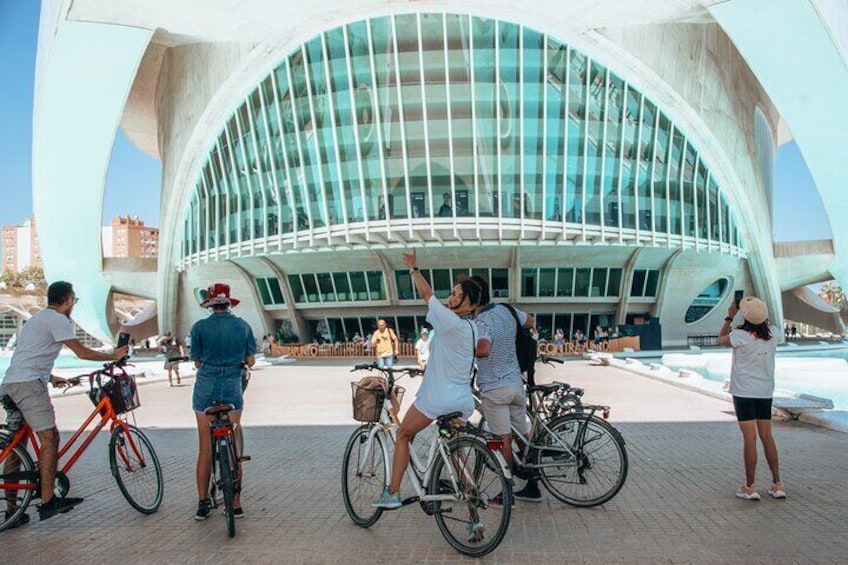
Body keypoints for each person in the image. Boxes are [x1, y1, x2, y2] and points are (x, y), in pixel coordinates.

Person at [0, 281, 128, 525]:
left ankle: (12, 511)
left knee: (18, 444)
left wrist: (51, 378)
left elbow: (30, 354)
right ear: (68, 300)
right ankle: (48, 501)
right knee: (50, 438)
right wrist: (114, 355)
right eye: (74, 301)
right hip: (28, 385)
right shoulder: (59, 319)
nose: (73, 305)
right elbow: (82, 352)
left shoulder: (37, 318)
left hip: (12, 383)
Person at [373, 249, 482, 513]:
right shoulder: (472, 327)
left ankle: (393, 493)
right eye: (452, 293)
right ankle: (473, 509)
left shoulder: (449, 321)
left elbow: (426, 295)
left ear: (469, 304)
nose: (451, 297)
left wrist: (413, 268)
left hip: (438, 398)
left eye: (458, 295)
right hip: (463, 399)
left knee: (403, 434)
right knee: (454, 451)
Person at [190, 283, 256, 520]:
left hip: (205, 388)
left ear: (210, 304)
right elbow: (250, 361)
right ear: (229, 303)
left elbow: (196, 362)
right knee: (235, 445)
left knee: (205, 448)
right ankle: (235, 504)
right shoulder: (243, 326)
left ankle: (202, 503)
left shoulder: (199, 327)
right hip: (232, 386)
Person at [472, 276, 540, 502]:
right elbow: (530, 321)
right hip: (515, 384)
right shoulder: (506, 310)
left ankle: (507, 492)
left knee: (504, 440)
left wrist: (469, 352)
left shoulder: (481, 321)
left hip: (494, 388)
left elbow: (482, 349)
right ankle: (533, 483)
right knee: (521, 433)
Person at [718, 296, 785, 501]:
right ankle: (777, 484)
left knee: (750, 439)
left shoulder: (739, 335)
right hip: (765, 392)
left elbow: (721, 340)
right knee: (767, 437)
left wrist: (729, 318)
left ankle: (750, 486)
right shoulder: (774, 334)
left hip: (744, 392)